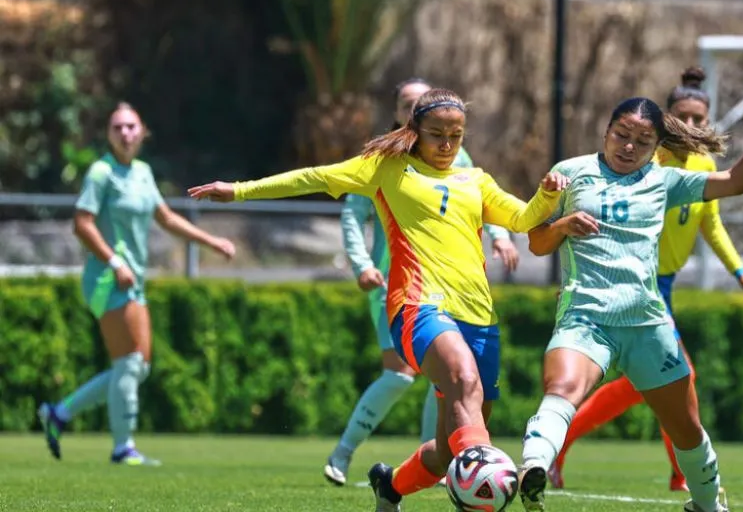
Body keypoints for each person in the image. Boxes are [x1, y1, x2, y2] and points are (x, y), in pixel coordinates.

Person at [187, 88, 566, 512]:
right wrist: (238, 191)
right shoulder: (386, 168)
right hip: (417, 305)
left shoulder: (475, 180)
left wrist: (548, 195)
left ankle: (390, 486)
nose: (446, 144)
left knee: (445, 453)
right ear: (414, 130)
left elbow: (522, 218)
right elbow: (313, 176)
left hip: (479, 316)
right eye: (436, 133)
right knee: (463, 380)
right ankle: (483, 485)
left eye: (455, 136)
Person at [518, 87, 743, 512]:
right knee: (563, 387)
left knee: (685, 426)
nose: (629, 146)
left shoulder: (664, 181)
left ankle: (707, 504)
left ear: (657, 148)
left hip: (647, 324)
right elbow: (537, 243)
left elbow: (736, 182)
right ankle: (533, 467)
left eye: (643, 141)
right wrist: (561, 226)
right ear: (606, 130)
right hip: (585, 316)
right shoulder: (570, 173)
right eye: (621, 134)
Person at [323, 78, 521, 487]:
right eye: (407, 103)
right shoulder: (382, 159)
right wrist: (361, 263)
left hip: (457, 290)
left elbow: (484, 202)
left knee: (451, 384)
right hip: (396, 284)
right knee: (402, 375)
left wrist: (502, 237)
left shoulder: (457, 155)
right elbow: (352, 213)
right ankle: (342, 454)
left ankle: (442, 464)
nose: (446, 139)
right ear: (403, 116)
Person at [37, 103, 236, 466]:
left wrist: (211, 242)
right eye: (117, 127)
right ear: (109, 135)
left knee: (136, 367)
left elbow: (166, 218)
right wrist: (113, 261)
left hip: (132, 278)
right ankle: (122, 447)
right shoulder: (101, 173)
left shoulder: (143, 172)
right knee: (130, 362)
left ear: (143, 132)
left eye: (131, 126)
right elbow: (82, 223)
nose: (125, 133)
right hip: (106, 278)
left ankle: (59, 413)